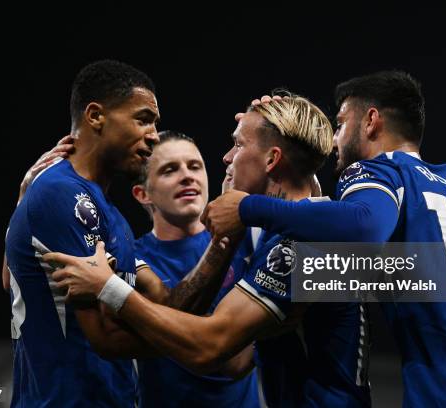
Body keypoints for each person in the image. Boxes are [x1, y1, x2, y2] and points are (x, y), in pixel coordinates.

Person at [202, 71, 446, 406]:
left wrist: (249, 208)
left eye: (340, 123)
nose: (334, 139)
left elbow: (364, 227)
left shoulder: (378, 170)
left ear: (370, 121)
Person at [45, 94, 373, 407]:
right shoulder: (296, 230)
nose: (227, 158)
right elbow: (235, 362)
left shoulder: (298, 249)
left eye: (238, 144)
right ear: (142, 195)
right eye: (170, 169)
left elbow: (209, 347)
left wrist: (108, 287)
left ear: (272, 159)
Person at [5, 60, 236, 407]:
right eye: (143, 119)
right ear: (95, 116)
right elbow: (108, 339)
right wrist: (199, 344)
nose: (154, 135)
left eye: (195, 166)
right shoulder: (65, 195)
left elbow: (168, 305)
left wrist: (225, 244)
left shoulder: (111, 218)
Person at [131, 130, 260, 407]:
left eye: (194, 166)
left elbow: (360, 271)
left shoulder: (250, 238)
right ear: (142, 194)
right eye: (169, 170)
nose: (187, 176)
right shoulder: (132, 259)